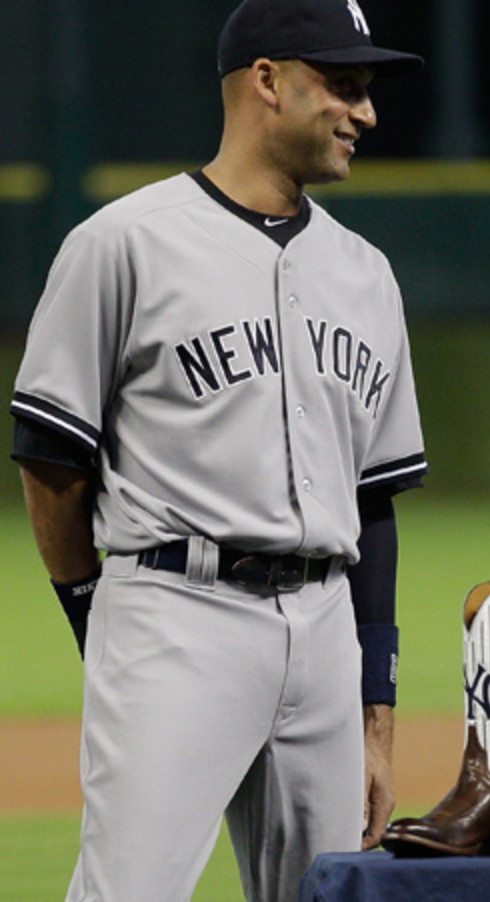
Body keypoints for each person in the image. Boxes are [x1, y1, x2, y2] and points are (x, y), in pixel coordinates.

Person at [10, 1, 427, 899]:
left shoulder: (366, 274)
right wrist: (98, 611)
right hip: (176, 611)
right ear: (268, 82)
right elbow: (49, 454)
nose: (367, 114)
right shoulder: (124, 244)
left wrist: (375, 712)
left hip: (325, 635)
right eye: (345, 87)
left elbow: (372, 504)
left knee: (326, 891)